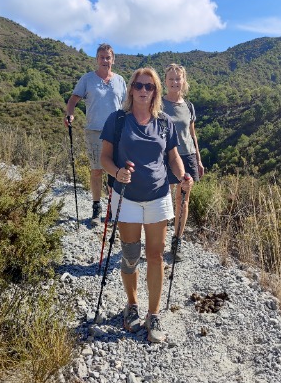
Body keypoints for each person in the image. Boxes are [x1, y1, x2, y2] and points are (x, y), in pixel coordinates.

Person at [100, 67, 193, 343]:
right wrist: (117, 173)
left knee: (155, 256)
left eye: (149, 87)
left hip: (158, 196)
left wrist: (182, 176)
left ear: (156, 91)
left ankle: (153, 315)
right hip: (126, 197)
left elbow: (173, 157)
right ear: (131, 89)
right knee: (130, 255)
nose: (143, 90)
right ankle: (131, 305)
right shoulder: (117, 121)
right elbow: (104, 157)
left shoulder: (165, 122)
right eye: (139, 86)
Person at [65, 43, 127, 226]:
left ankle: (111, 209)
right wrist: (70, 114)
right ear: (97, 59)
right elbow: (73, 100)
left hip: (116, 132)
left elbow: (125, 106)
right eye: (102, 57)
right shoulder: (87, 79)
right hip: (94, 131)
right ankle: (96, 207)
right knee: (96, 170)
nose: (105, 61)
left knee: (114, 172)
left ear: (113, 60)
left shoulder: (120, 81)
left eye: (108, 57)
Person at [162, 64, 204, 261]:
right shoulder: (159, 104)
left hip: (187, 156)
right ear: (165, 81)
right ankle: (158, 240)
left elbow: (192, 134)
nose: (174, 82)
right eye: (171, 79)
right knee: (163, 199)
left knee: (183, 200)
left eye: (178, 79)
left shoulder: (189, 106)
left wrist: (198, 159)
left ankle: (176, 241)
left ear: (183, 81)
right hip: (165, 156)